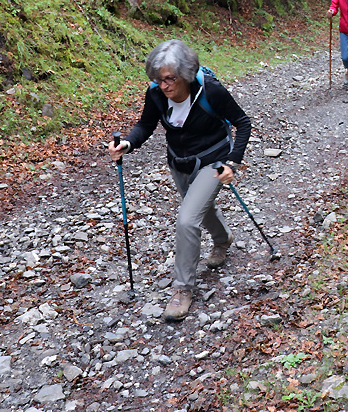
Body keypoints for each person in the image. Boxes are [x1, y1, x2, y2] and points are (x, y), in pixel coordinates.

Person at [108, 39, 252, 322]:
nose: (164, 85)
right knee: (200, 208)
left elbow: (243, 122)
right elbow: (146, 125)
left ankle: (182, 289)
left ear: (185, 74)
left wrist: (233, 161)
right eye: (159, 79)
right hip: (179, 162)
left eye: (170, 79)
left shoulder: (211, 91)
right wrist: (127, 144)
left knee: (187, 219)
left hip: (213, 161)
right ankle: (223, 239)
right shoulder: (156, 94)